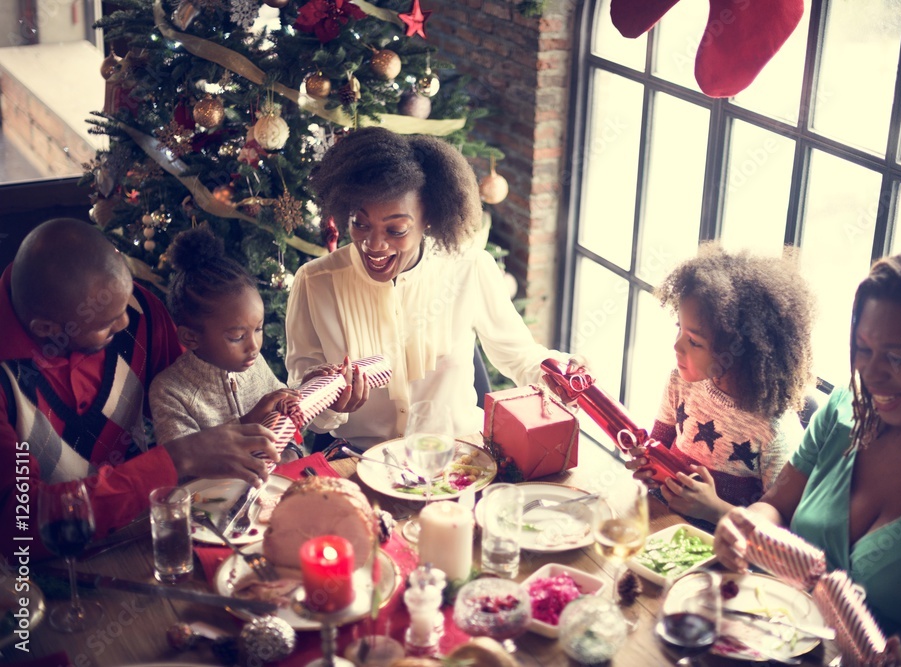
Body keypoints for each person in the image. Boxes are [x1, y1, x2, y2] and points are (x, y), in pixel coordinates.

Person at [714, 249, 901, 663]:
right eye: (863, 348)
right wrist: (747, 526)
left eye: (900, 355)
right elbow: (776, 505)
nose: (871, 372)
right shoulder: (845, 409)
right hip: (775, 643)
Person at [0, 219, 279, 564]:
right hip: (51, 570)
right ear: (47, 329)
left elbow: (193, 395)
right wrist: (175, 459)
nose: (125, 323)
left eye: (125, 301)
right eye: (106, 325)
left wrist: (253, 420)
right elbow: (19, 528)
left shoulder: (138, 309)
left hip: (144, 537)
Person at [286, 127, 569, 449]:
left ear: (430, 219)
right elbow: (301, 397)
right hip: (362, 461)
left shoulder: (470, 268)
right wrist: (329, 406)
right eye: (360, 224)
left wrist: (558, 374)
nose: (373, 244)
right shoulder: (314, 282)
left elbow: (520, 357)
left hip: (459, 454)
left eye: (396, 229)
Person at [628, 244, 815, 530]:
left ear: (741, 352)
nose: (676, 345)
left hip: (721, 550)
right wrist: (648, 467)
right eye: (679, 328)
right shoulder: (680, 383)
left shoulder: (773, 430)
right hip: (661, 524)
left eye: (695, 341)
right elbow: (659, 446)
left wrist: (714, 509)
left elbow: (779, 529)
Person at [149, 226, 338, 452]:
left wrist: (307, 391)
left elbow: (291, 422)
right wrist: (248, 422)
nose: (254, 346)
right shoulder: (169, 391)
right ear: (190, 337)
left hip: (281, 476)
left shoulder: (255, 364)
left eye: (258, 329)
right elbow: (180, 463)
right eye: (237, 337)